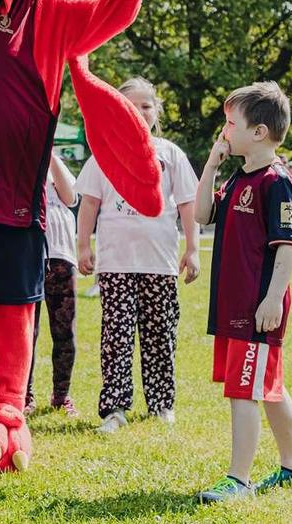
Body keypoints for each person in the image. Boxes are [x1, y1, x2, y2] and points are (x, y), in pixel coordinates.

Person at [194, 81, 292, 503]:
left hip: (256, 308)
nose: (224, 131)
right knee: (268, 387)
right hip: (231, 307)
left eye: (230, 123)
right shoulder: (237, 178)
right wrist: (210, 165)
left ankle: (238, 479)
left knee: (244, 391)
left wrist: (272, 298)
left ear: (258, 132)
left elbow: (288, 249)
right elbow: (203, 214)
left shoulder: (276, 182)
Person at [77, 78, 201, 433]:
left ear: (156, 111)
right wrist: (84, 246)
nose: (139, 112)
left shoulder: (169, 153)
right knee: (116, 334)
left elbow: (187, 203)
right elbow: (89, 201)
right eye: (130, 105)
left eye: (146, 106)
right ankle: (114, 408)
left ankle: (161, 404)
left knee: (160, 334)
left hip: (159, 264)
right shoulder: (105, 150)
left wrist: (192, 249)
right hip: (116, 262)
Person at [25, 149, 80, 418]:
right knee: (27, 333)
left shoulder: (55, 163)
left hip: (61, 256)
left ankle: (61, 395)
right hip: (29, 254)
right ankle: (24, 395)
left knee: (64, 331)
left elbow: (70, 198)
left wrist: (51, 155)